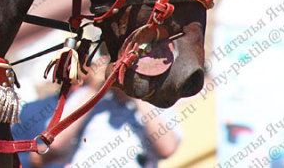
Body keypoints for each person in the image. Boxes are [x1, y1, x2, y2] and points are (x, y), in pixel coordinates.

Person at [12, 55, 180, 168]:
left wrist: (136, 93)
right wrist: (94, 90)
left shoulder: (153, 102)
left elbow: (167, 148)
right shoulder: (85, 99)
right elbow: (54, 141)